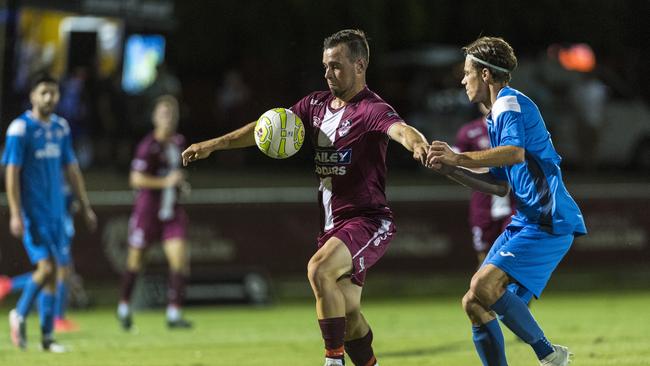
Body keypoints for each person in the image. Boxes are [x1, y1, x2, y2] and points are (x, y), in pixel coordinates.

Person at [182, 29, 429, 366]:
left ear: (359, 65)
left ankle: (332, 361)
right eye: (325, 66)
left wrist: (418, 145)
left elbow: (400, 130)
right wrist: (213, 144)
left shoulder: (371, 109)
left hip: (367, 220)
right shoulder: (314, 105)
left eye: (336, 66)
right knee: (351, 316)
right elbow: (266, 127)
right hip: (331, 226)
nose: (328, 74)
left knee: (317, 270)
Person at [426, 36, 587, 366]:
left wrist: (457, 158)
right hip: (526, 221)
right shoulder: (496, 115)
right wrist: (450, 170)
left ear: (485, 75)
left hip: (548, 219)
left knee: (483, 286)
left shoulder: (509, 103)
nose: (462, 80)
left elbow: (514, 154)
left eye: (467, 72)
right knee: (474, 302)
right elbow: (499, 186)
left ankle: (550, 355)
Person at [2, 73, 97, 352]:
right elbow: (11, 173)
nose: (49, 98)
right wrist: (16, 213)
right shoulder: (20, 129)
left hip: (58, 214)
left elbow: (72, 168)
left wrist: (85, 205)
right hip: (35, 213)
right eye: (43, 92)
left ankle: (46, 337)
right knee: (47, 268)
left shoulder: (61, 128)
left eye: (53, 93)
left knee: (57, 273)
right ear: (32, 95)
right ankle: (19, 314)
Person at [117, 95, 192, 330]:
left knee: (179, 260)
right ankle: (124, 306)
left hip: (172, 212)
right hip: (147, 212)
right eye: (163, 114)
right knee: (135, 262)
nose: (168, 118)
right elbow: (135, 179)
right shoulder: (147, 145)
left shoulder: (179, 142)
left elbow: (174, 175)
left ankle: (174, 313)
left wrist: (180, 185)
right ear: (154, 117)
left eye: (171, 114)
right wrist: (168, 182)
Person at [0, 180, 84, 333]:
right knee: (54, 270)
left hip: (61, 226)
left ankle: (9, 286)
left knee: (57, 270)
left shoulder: (58, 174)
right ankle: (55, 317)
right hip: (53, 226)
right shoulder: (52, 174)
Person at [454, 107, 514, 268]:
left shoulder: (515, 127)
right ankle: (483, 290)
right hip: (483, 200)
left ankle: (512, 291)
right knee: (484, 254)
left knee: (512, 252)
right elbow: (454, 164)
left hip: (515, 199)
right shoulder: (469, 132)